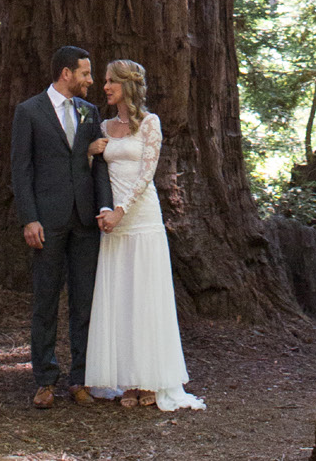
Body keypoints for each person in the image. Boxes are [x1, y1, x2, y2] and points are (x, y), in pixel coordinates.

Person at [84, 59, 205, 412]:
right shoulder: (103, 126)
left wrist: (121, 210)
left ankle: (151, 379)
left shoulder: (150, 124)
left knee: (145, 298)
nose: (105, 87)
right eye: (105, 81)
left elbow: (147, 174)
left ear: (128, 86)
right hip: (113, 223)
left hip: (140, 218)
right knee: (120, 298)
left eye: (111, 82)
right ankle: (126, 379)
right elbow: (96, 176)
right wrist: (93, 158)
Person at [11, 44, 115, 408]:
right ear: (66, 73)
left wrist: (104, 207)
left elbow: (99, 164)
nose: (91, 80)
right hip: (47, 221)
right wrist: (29, 218)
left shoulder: (90, 112)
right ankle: (44, 380)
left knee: (85, 302)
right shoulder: (29, 112)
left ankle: (80, 379)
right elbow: (20, 170)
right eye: (86, 73)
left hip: (86, 220)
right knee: (46, 300)